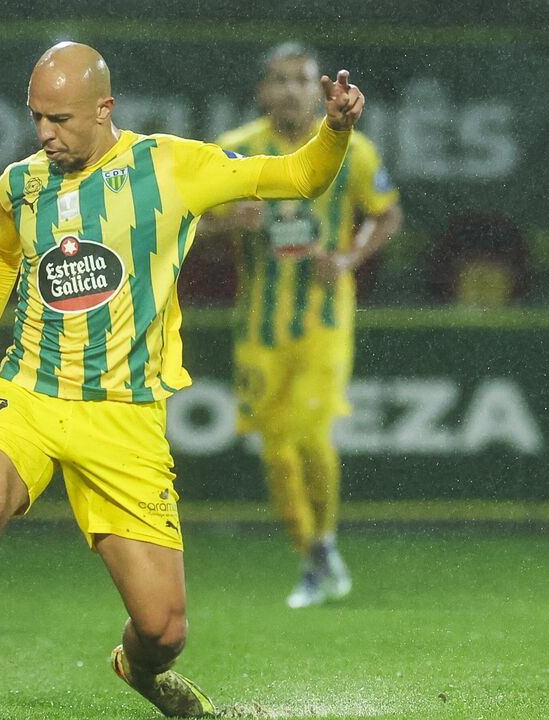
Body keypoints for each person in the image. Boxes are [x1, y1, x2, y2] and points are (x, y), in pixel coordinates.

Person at [0, 42, 367, 720]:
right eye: (36, 116)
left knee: (164, 629)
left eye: (61, 119)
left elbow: (300, 178)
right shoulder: (21, 182)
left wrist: (334, 131)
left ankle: (138, 667)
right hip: (30, 396)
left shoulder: (172, 166)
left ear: (105, 108)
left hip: (125, 417)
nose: (45, 133)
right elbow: (2, 251)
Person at [212, 42, 402, 609]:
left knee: (310, 434)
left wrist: (346, 259)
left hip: (324, 320)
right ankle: (314, 554)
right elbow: (188, 223)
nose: (291, 89)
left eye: (300, 79)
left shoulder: (354, 150)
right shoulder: (236, 153)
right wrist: (226, 222)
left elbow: (387, 212)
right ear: (262, 92)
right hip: (257, 325)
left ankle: (320, 553)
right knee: (276, 450)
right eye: (280, 80)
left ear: (313, 89)